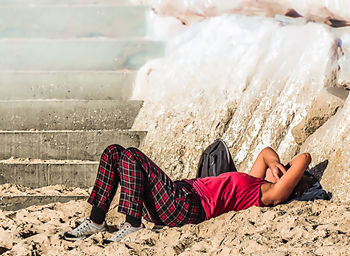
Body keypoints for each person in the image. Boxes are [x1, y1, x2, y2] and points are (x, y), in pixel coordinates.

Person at [63, 144, 311, 243]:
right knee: (114, 152)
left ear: (288, 182)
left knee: (131, 156)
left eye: (285, 173)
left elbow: (305, 158)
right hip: (175, 195)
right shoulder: (253, 179)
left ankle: (133, 223)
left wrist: (284, 173)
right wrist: (276, 162)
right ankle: (96, 221)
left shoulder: (267, 195)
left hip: (186, 207)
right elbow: (265, 152)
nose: (278, 171)